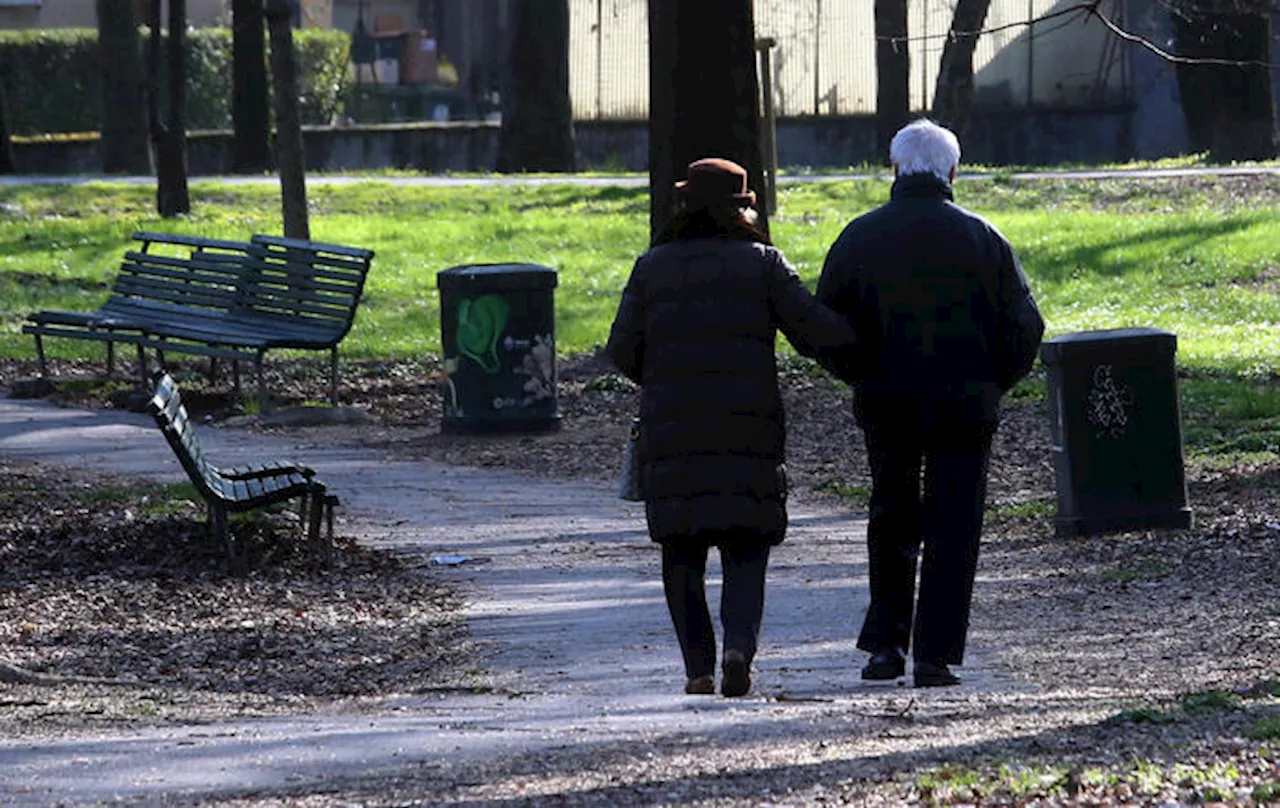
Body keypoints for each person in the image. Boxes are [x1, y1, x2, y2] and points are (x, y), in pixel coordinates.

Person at [606, 157, 856, 697]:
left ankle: (698, 667)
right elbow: (817, 333)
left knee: (681, 551)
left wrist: (662, 376)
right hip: (748, 428)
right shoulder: (763, 264)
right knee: (746, 545)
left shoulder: (652, 267)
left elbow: (621, 350)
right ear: (744, 208)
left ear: (685, 206)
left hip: (673, 433)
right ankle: (739, 648)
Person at [816, 119, 1045, 688]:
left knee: (891, 514)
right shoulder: (984, 237)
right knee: (955, 523)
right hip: (965, 403)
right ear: (952, 172)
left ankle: (885, 648)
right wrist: (995, 382)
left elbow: (825, 326)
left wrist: (858, 375)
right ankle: (934, 654)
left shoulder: (859, 237)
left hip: (887, 398)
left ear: (894, 169)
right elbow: (1026, 325)